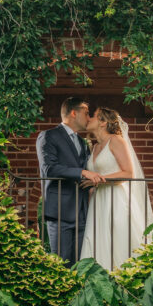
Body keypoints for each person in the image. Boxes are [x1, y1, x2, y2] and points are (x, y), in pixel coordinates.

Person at [80, 107, 153, 271]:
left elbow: (128, 172)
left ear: (103, 122)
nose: (89, 119)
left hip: (117, 198)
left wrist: (98, 180)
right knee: (98, 241)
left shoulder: (116, 140)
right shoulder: (95, 147)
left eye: (93, 116)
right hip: (99, 201)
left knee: (119, 240)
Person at [36, 97, 105, 265]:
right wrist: (82, 172)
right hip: (60, 213)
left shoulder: (82, 143)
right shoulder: (48, 136)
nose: (89, 118)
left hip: (82, 212)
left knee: (81, 266)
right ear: (74, 113)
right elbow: (49, 169)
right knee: (61, 265)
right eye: (86, 113)